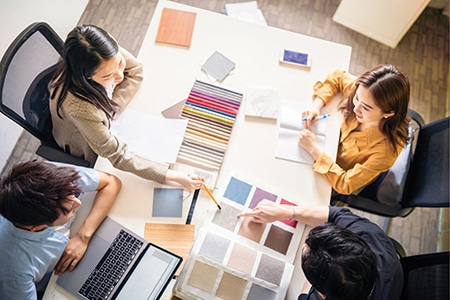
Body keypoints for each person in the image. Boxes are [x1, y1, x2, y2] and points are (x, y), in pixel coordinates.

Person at [48, 24, 203, 190]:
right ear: (87, 77)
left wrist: (112, 110)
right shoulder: (80, 108)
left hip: (106, 121)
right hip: (83, 145)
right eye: (107, 75)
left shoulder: (104, 51)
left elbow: (135, 70)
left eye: (120, 64)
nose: (120, 76)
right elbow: (117, 155)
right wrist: (171, 175)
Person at [0, 160, 121, 299]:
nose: (78, 202)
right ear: (37, 227)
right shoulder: (15, 273)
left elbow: (111, 183)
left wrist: (83, 237)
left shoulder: (48, 177)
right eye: (70, 209)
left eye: (73, 193)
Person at [238, 200, 403, 300]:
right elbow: (335, 214)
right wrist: (287, 211)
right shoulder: (371, 235)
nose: (305, 245)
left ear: (321, 294)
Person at [299, 64, 410, 195]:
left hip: (334, 174)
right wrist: (316, 106)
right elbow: (338, 77)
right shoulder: (365, 91)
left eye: (366, 108)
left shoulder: (386, 152)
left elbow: (345, 184)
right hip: (329, 144)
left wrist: (313, 149)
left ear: (388, 113)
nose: (356, 108)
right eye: (356, 98)